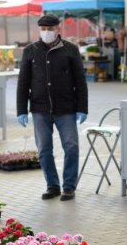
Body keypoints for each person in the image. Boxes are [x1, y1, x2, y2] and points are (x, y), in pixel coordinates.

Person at [16, 14, 88, 201]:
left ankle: (69, 187)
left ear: (58, 29)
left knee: (71, 147)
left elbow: (80, 81)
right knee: (44, 150)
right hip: (40, 108)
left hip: (66, 108)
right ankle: (53, 186)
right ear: (40, 30)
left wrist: (82, 107)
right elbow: (23, 82)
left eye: (51, 29)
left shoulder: (70, 49)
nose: (47, 32)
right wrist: (21, 110)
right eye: (44, 29)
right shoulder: (30, 51)